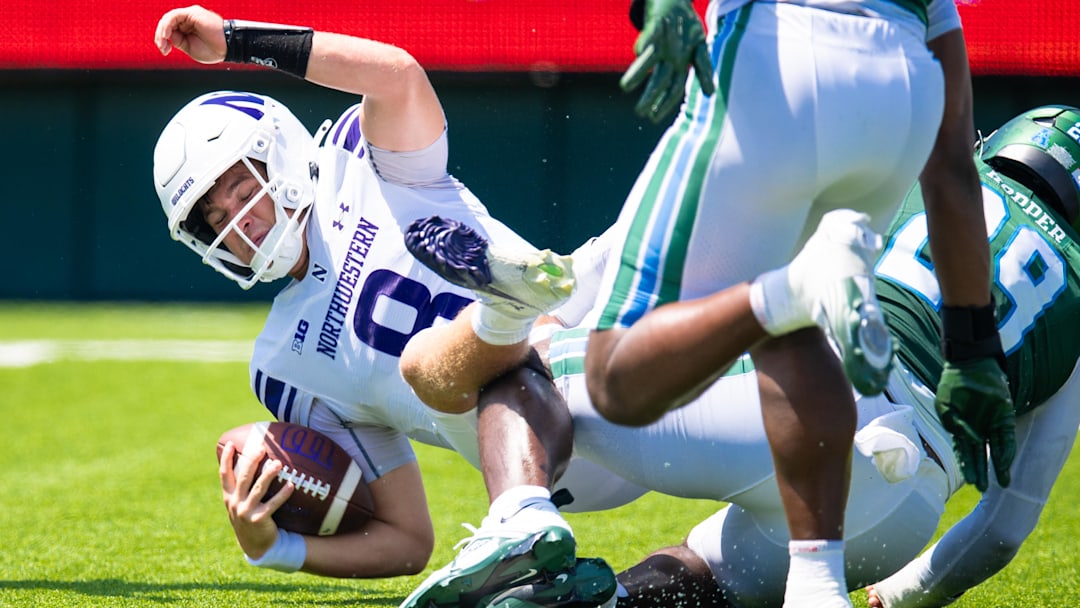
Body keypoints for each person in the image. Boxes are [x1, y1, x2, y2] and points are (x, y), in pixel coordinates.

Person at [407, 1, 1016, 605]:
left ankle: (791, 290)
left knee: (615, 374)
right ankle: (817, 586)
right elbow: (955, 172)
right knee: (798, 331)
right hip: (901, 94)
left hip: (780, 50)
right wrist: (973, 349)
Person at [151, 6, 613, 606]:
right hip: (553, 462)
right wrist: (273, 549)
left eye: (244, 189)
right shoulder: (282, 366)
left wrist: (238, 39)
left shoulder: (358, 159)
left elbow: (396, 74)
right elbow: (407, 540)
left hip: (598, 338)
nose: (241, 221)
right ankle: (511, 309)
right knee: (438, 358)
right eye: (217, 219)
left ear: (282, 154)